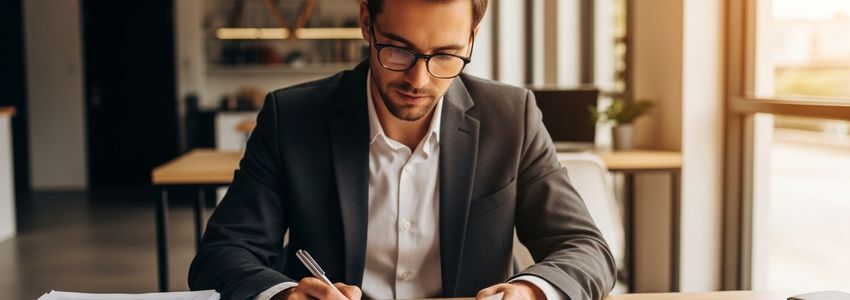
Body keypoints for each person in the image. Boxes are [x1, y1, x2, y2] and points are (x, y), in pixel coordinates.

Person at [188, 0, 616, 299]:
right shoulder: (292, 116)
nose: (420, 80)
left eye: (447, 55)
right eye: (398, 49)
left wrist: (531, 290)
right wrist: (284, 294)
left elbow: (585, 247)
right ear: (365, 22)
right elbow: (223, 254)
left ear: (473, 37)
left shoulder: (511, 117)